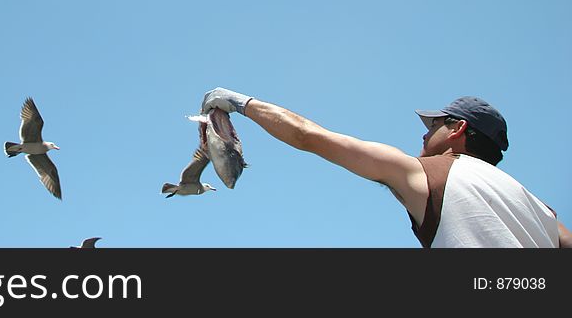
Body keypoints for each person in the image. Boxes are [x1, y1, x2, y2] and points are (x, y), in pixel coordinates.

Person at [201, 89, 571, 248]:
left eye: (433, 126)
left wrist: (235, 100)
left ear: (458, 129)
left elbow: (308, 136)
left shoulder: (426, 174)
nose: (424, 135)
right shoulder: (538, 208)